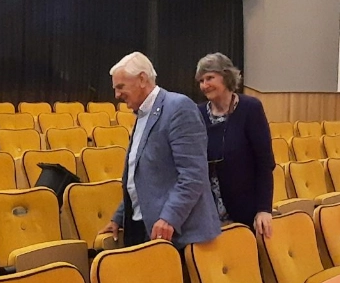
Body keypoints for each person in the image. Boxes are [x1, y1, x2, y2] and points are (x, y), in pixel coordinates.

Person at [100, 52, 221, 248]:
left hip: (176, 234)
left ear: (142, 79)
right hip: (144, 228)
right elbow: (142, 177)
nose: (117, 95)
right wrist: (120, 217)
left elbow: (193, 174)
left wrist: (170, 218)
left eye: (120, 87)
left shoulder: (179, 108)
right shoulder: (142, 114)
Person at [195, 53, 275, 238]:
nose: (204, 85)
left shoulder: (250, 108)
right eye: (201, 81)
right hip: (208, 213)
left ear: (226, 76)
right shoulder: (197, 113)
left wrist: (264, 209)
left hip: (245, 211)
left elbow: (264, 163)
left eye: (209, 78)